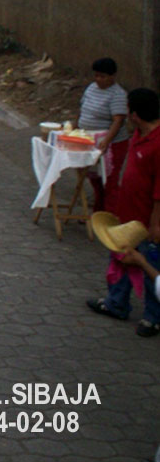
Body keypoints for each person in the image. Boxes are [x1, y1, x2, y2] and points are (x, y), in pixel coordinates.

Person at [87, 88, 160, 337]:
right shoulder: (139, 134)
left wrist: (155, 224)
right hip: (128, 213)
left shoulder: (158, 143)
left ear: (136, 114)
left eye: (129, 110)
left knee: (150, 265)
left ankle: (153, 317)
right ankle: (116, 302)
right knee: (120, 258)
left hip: (148, 220)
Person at [79, 58, 131, 212]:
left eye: (103, 76)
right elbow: (83, 109)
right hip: (89, 139)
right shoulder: (91, 88)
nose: (98, 80)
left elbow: (118, 121)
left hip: (111, 143)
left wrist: (106, 141)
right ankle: (99, 209)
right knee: (94, 177)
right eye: (96, 76)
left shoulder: (118, 94)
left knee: (109, 179)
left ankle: (111, 213)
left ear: (112, 76)